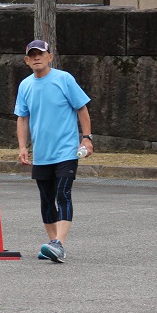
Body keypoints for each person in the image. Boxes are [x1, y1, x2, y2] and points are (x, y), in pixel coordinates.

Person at [15, 39, 93, 264]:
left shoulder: (64, 79)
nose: (37, 58)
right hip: (41, 154)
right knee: (46, 200)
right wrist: (22, 147)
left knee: (62, 194)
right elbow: (22, 117)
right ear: (27, 60)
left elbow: (82, 108)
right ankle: (53, 244)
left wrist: (86, 139)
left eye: (41, 54)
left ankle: (58, 243)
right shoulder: (25, 85)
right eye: (33, 55)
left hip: (66, 152)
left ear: (50, 57)